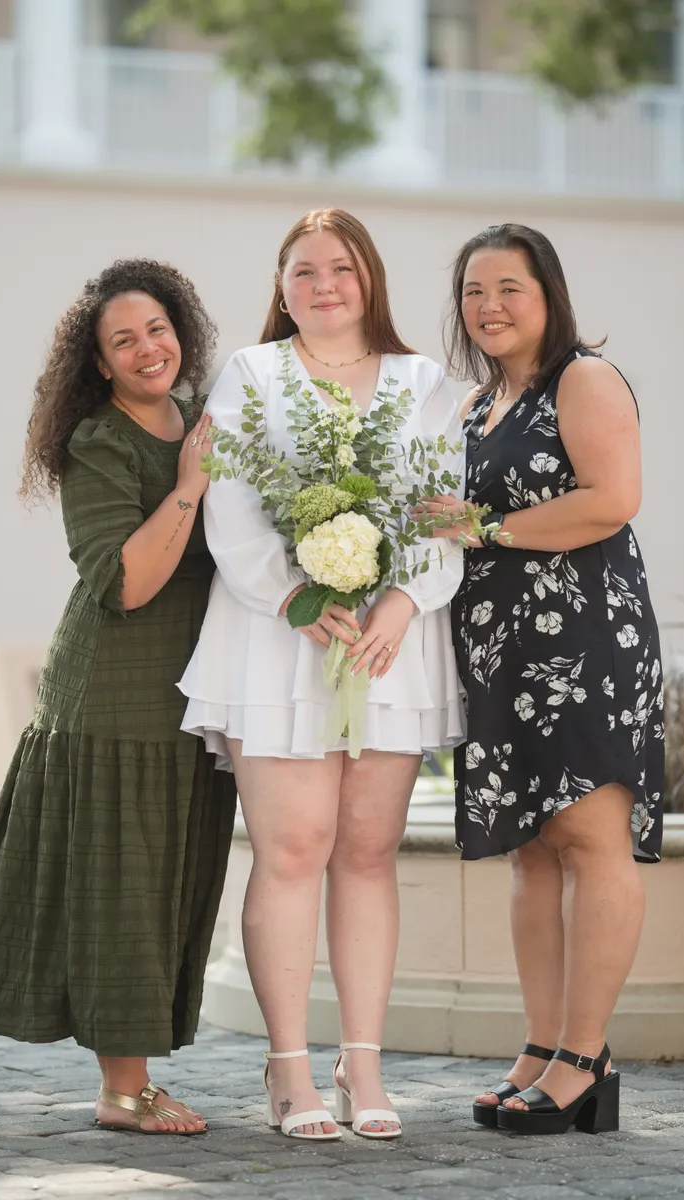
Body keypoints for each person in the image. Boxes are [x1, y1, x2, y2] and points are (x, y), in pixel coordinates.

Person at [179, 209, 465, 1141]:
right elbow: (230, 509)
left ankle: (363, 1067)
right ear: (282, 285)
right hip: (279, 637)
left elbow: (442, 512)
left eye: (339, 268)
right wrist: (297, 594)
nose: (323, 286)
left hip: (388, 641)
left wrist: (402, 600)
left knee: (369, 850)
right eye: (302, 272)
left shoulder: (426, 382)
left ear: (369, 278)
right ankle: (290, 1070)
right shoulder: (252, 375)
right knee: (294, 848)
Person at [0, 260, 237, 1136]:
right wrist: (189, 483)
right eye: (123, 341)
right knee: (124, 884)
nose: (147, 349)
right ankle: (123, 1092)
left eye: (157, 329)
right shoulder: (98, 442)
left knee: (164, 880)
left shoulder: (204, 414)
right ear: (99, 364)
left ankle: (134, 1080)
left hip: (191, 687)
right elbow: (128, 582)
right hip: (114, 690)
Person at [416, 223, 664, 1136]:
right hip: (498, 648)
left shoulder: (583, 379)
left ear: (549, 294)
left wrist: (483, 529)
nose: (488, 306)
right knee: (531, 849)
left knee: (591, 841)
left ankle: (588, 1057)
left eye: (508, 288)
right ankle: (544, 1043)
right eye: (474, 291)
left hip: (585, 640)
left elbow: (613, 499)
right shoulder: (479, 405)